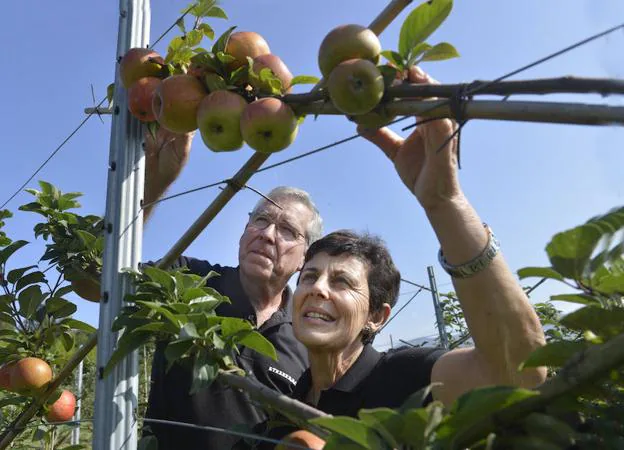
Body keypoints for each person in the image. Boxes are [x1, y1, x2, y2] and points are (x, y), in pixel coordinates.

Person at [282, 66, 547, 420]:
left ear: (376, 317)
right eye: (309, 277)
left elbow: (519, 374)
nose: (317, 288)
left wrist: (445, 202)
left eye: (342, 281)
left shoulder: (405, 379)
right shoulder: (294, 397)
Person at [141, 130, 324, 449]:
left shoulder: (307, 338)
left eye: (286, 230)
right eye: (260, 220)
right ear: (244, 231)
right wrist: (155, 183)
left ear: (304, 259)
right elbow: (101, 279)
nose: (267, 235)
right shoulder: (189, 279)